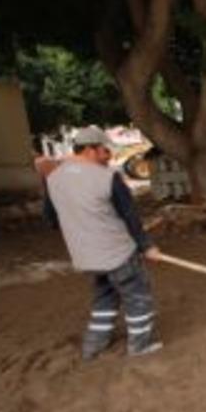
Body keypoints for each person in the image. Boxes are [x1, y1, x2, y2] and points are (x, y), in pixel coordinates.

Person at [39, 126, 163, 360]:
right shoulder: (108, 178)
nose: (110, 156)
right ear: (90, 150)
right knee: (138, 298)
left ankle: (93, 346)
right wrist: (147, 246)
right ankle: (139, 346)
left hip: (86, 257)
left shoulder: (53, 179)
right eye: (105, 151)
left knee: (105, 297)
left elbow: (52, 219)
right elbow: (131, 218)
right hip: (118, 254)